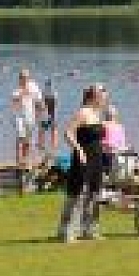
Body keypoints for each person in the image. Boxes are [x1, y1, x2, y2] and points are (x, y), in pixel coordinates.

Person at [57, 86, 106, 243]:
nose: (104, 100)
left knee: (94, 193)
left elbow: (97, 137)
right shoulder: (82, 112)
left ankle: (89, 229)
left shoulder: (97, 114)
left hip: (97, 157)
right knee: (77, 194)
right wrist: (79, 150)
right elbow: (68, 133)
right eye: (102, 97)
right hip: (83, 157)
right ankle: (67, 231)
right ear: (94, 97)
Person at [11, 69, 43, 186]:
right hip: (19, 118)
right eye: (22, 77)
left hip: (31, 117)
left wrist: (41, 113)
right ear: (19, 78)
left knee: (28, 142)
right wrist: (22, 93)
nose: (24, 79)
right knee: (20, 138)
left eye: (26, 77)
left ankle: (25, 161)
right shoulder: (16, 91)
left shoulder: (34, 87)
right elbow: (14, 103)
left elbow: (39, 101)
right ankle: (19, 162)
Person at [101, 105, 127, 176]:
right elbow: (123, 143)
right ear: (115, 115)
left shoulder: (103, 125)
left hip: (106, 152)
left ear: (105, 115)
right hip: (117, 152)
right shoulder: (120, 126)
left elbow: (99, 140)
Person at [39, 78, 59, 153]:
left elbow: (43, 105)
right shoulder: (53, 93)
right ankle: (52, 147)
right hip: (50, 113)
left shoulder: (45, 93)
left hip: (48, 113)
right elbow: (55, 104)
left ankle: (43, 146)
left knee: (44, 130)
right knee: (52, 130)